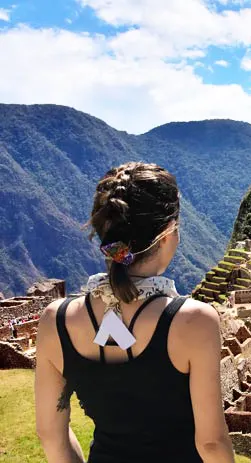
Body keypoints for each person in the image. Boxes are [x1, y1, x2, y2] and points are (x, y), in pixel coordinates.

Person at [35, 163, 234, 463]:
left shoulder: (56, 321)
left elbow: (51, 436)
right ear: (168, 233)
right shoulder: (194, 321)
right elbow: (211, 443)